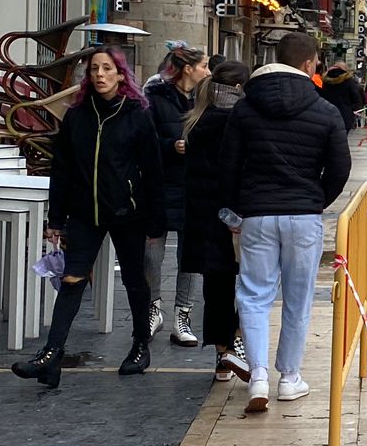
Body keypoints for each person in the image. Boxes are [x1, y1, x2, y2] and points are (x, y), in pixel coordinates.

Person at [12, 47, 165, 389]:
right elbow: (61, 170)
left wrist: (157, 220)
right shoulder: (77, 115)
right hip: (84, 214)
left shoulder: (137, 114)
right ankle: (51, 356)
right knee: (71, 281)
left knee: (134, 281)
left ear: (120, 75)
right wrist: (55, 218)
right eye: (94, 69)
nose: (99, 75)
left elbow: (153, 171)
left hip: (127, 213)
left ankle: (141, 344)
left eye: (106, 68)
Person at [223, 31, 351, 413]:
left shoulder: (245, 109)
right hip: (304, 216)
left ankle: (258, 374)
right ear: (310, 64)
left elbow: (227, 166)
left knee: (255, 295)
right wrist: (315, 199)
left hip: (258, 215)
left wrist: (234, 209)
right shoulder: (325, 110)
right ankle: (289, 377)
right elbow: (340, 167)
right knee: (298, 299)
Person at [182, 60, 251, 383]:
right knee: (252, 285)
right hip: (236, 216)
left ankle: (222, 354)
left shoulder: (198, 119)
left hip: (203, 215)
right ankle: (236, 341)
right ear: (239, 88)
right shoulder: (240, 122)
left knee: (216, 287)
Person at [145, 43, 208, 347]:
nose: (207, 71)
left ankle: (182, 316)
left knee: (190, 256)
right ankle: (152, 309)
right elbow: (144, 139)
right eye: (204, 66)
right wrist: (171, 145)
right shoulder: (155, 98)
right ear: (188, 69)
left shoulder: (204, 99)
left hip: (194, 184)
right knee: (151, 253)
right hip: (160, 182)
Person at [319, 61, 366, 130]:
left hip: (326, 115)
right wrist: (350, 110)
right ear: (345, 70)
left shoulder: (325, 81)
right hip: (344, 117)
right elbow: (358, 100)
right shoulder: (349, 81)